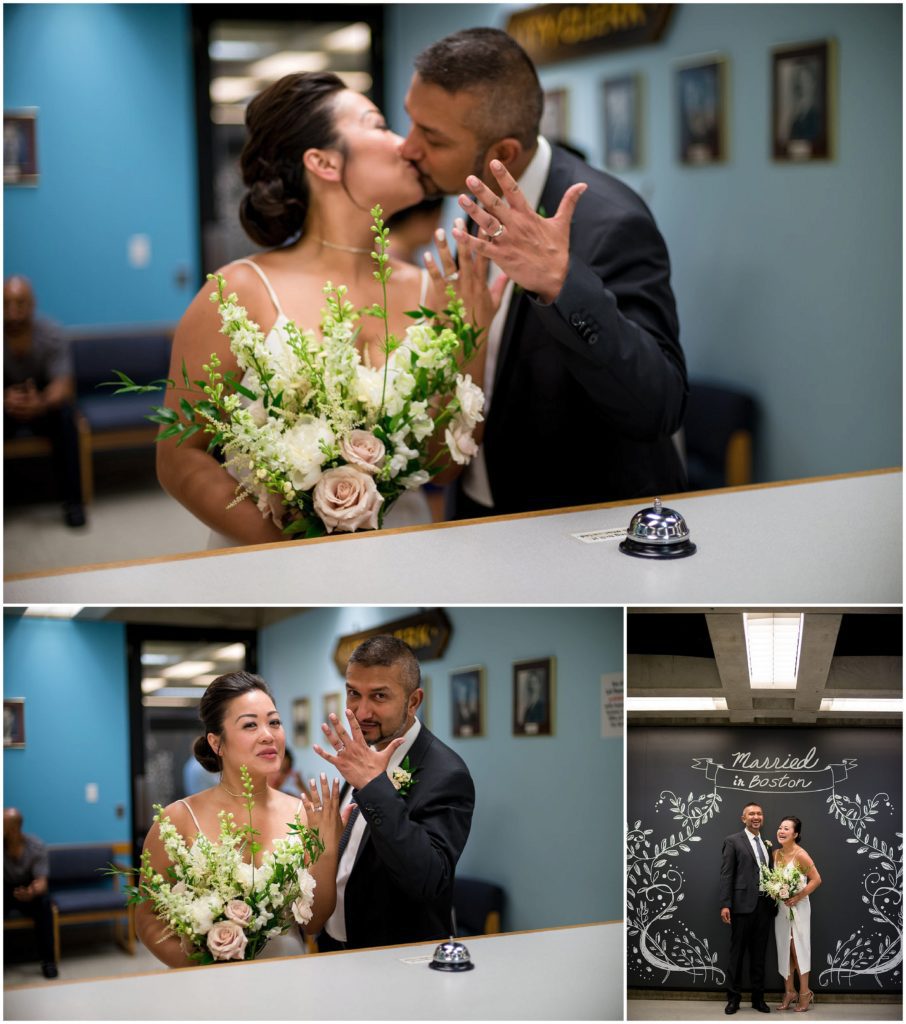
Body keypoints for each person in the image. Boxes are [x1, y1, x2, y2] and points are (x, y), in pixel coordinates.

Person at [156, 72, 502, 548]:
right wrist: (298, 547)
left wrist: (474, 333)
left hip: (401, 546)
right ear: (322, 161)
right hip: (274, 559)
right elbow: (179, 458)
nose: (406, 145)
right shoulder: (237, 292)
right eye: (378, 125)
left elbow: (442, 466)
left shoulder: (435, 290)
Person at [400, 28, 687, 519]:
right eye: (412, 123)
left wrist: (562, 284)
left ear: (504, 154)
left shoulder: (611, 223)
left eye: (432, 137)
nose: (408, 148)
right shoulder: (477, 199)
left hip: (583, 525)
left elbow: (659, 407)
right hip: (478, 511)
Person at [135, 671, 342, 967]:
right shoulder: (177, 820)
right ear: (217, 742)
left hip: (290, 977)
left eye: (274, 722)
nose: (268, 734)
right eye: (250, 725)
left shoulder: (301, 813)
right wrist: (201, 967)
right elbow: (147, 919)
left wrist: (328, 849)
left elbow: (313, 923)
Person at [312, 635, 474, 949]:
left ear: (413, 701)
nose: (361, 712)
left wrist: (375, 787)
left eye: (379, 696)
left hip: (394, 955)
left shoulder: (446, 773)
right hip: (334, 945)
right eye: (353, 694)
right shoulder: (362, 753)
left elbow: (427, 880)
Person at [4, 275, 86, 527]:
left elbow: (64, 385)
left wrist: (38, 401)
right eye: (6, 303)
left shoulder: (51, 333)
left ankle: (73, 504)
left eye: (20, 303)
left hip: (43, 405)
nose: (13, 311)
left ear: (32, 304)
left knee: (66, 416)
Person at [719, 803, 774, 1014]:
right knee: (737, 955)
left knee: (759, 956)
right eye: (751, 813)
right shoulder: (733, 841)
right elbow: (726, 874)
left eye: (759, 813)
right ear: (743, 818)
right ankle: (733, 999)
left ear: (763, 817)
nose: (756, 816)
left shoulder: (767, 844)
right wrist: (725, 904)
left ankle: (758, 999)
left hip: (764, 906)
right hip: (741, 906)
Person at [772, 816, 822, 1012]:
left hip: (799, 907)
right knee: (784, 948)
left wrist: (798, 896)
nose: (781, 831)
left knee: (798, 948)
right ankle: (789, 991)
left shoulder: (801, 855)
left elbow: (817, 879)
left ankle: (804, 992)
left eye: (786, 828)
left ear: (795, 834)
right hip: (781, 908)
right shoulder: (775, 854)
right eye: (780, 827)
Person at [3, 807, 58, 978]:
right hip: (5, 889)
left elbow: (42, 882)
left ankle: (48, 962)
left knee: (44, 904)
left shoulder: (35, 846)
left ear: (13, 829)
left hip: (30, 888)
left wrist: (31, 892)